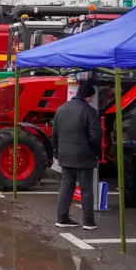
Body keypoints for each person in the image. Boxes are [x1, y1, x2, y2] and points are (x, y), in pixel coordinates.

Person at [53, 82, 102, 230]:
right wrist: (96, 152)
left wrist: (57, 150)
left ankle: (62, 218)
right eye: (91, 97)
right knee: (86, 188)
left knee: (67, 186)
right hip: (84, 156)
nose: (92, 100)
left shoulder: (61, 109)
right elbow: (95, 137)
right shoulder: (89, 112)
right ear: (87, 96)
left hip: (65, 155)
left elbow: (54, 134)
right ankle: (88, 222)